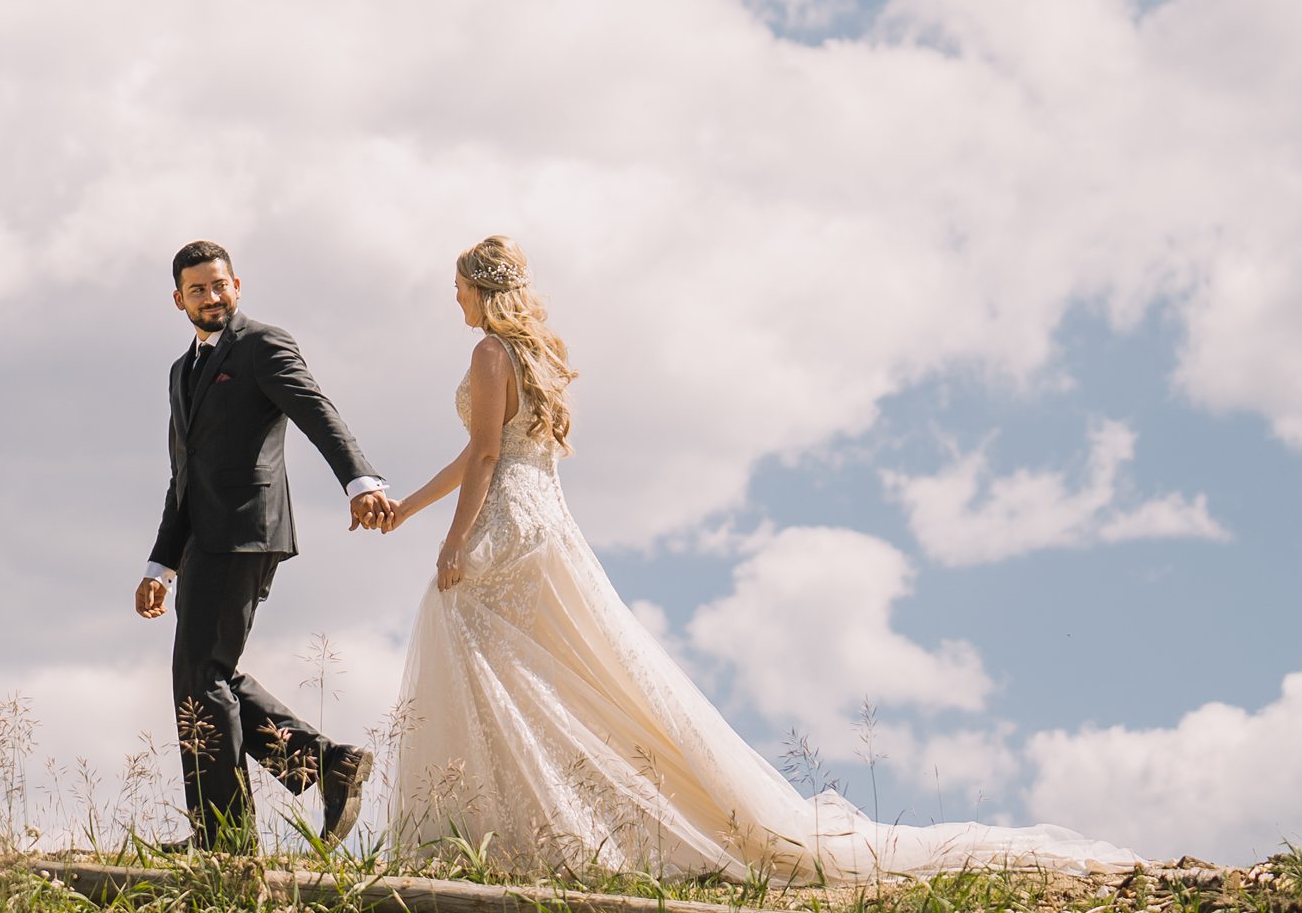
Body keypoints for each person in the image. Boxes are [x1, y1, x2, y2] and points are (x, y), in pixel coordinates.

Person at [372, 238, 1136, 880]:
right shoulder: (527, 357)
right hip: (548, 526)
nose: (456, 301)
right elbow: (490, 451)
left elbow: (482, 458)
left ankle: (503, 834)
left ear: (480, 291)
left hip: (504, 526)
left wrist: (451, 542)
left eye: (459, 289)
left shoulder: (485, 353)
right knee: (567, 677)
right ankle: (536, 826)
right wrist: (406, 508)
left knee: (491, 659)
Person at [138, 239, 396, 849]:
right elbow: (184, 475)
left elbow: (314, 409)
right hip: (201, 539)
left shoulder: (262, 345)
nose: (211, 296)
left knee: (202, 676)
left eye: (220, 284)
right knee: (206, 676)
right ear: (179, 300)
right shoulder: (181, 372)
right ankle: (322, 766)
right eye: (197, 289)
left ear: (237, 286)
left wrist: (360, 481)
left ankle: (224, 838)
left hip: (249, 531)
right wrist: (161, 563)